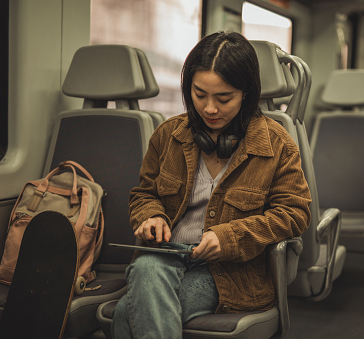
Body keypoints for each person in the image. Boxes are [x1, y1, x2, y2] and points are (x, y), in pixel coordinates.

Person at [112, 31, 311, 339]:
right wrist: (151, 216)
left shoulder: (278, 144)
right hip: (165, 256)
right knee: (147, 267)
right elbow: (145, 195)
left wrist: (230, 237)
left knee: (126, 312)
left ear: (246, 93)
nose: (209, 109)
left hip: (230, 273)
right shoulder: (168, 135)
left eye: (223, 98)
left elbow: (295, 214)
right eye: (199, 94)